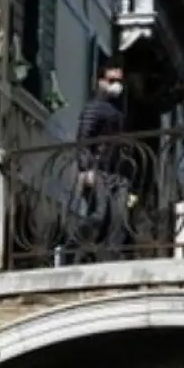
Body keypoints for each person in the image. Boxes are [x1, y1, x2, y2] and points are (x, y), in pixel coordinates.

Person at [75, 61, 130, 260]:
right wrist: (85, 169)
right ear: (100, 82)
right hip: (98, 169)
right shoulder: (94, 108)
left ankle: (111, 257)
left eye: (119, 80)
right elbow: (83, 139)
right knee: (100, 214)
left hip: (117, 173)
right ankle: (76, 245)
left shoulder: (117, 111)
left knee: (120, 219)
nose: (117, 84)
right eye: (112, 80)